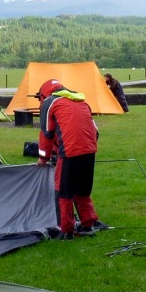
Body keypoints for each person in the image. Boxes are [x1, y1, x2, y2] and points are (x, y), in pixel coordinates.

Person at [35, 79, 107, 239]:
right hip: (89, 150)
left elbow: (46, 133)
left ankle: (66, 229)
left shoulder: (49, 103)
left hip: (69, 152)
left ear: (43, 94)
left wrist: (43, 158)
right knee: (82, 190)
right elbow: (94, 131)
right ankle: (88, 224)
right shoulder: (80, 101)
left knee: (63, 191)